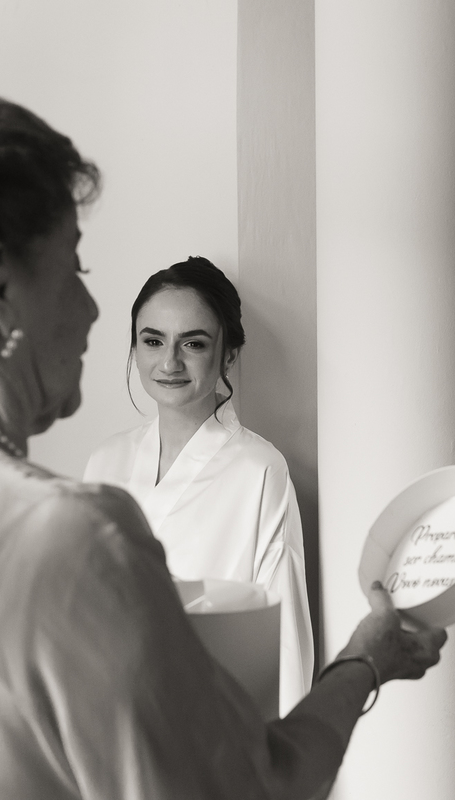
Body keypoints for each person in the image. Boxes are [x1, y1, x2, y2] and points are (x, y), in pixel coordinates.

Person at [0, 88, 446, 800]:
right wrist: (364, 662)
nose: (93, 310)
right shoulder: (67, 534)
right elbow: (249, 789)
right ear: (1, 286)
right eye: (75, 268)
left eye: (192, 342)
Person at [84, 257, 314, 716]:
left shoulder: (258, 470)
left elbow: (284, 636)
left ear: (228, 354)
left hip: (213, 720)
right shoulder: (106, 461)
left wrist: (285, 750)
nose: (169, 361)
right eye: (153, 341)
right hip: (109, 713)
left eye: (193, 343)